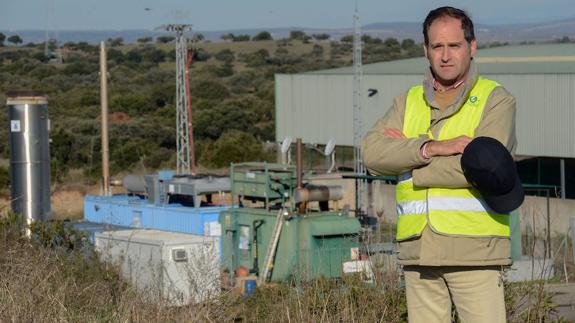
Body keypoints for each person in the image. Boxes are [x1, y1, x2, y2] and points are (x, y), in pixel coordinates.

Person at [361, 6, 517, 323]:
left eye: (454, 45)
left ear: (472, 47)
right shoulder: (408, 101)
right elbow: (372, 154)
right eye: (437, 46)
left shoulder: (495, 99)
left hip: (475, 252)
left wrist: (406, 162)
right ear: (426, 50)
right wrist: (432, 147)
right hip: (418, 251)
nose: (445, 56)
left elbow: (485, 168)